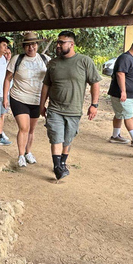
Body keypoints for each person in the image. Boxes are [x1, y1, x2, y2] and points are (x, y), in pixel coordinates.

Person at [39, 31, 101, 181]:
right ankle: (57, 168)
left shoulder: (84, 61)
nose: (58, 45)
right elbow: (46, 86)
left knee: (67, 139)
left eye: (62, 42)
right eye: (58, 42)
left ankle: (62, 163)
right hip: (55, 109)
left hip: (74, 110)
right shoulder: (53, 63)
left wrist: (94, 104)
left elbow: (95, 83)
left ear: (71, 44)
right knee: (56, 137)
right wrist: (41, 105)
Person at [3, 32, 50, 167]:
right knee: (24, 127)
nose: (31, 47)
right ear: (24, 47)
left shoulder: (45, 59)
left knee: (31, 130)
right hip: (19, 98)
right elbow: (7, 79)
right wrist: (5, 97)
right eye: (28, 45)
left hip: (37, 100)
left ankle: (28, 152)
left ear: (37, 45)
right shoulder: (17, 59)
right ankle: (21, 155)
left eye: (33, 44)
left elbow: (53, 79)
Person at [107, 39, 133, 146]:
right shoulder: (125, 58)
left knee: (120, 114)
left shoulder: (132, 59)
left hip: (128, 94)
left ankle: (115, 136)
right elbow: (120, 74)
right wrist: (123, 91)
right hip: (123, 94)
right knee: (128, 115)